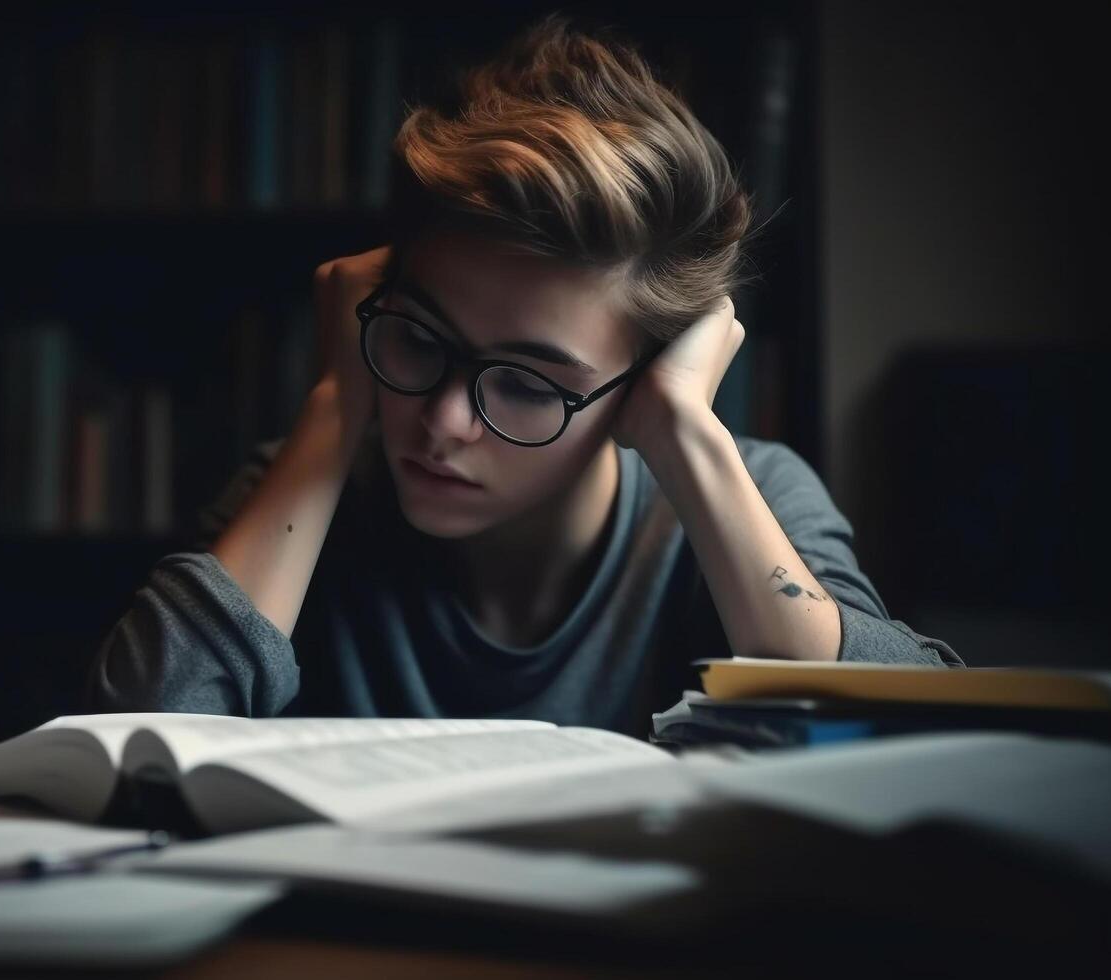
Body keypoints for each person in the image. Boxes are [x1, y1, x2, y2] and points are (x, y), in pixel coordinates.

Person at [84, 14, 963, 736]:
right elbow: (131, 740)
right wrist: (337, 403)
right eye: (419, 340)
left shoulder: (754, 495)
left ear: (641, 385)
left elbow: (917, 743)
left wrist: (690, 437)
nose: (441, 422)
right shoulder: (306, 493)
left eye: (530, 384)